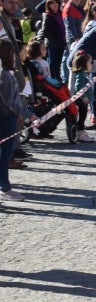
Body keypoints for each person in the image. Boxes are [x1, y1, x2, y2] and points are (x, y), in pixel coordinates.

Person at [0, 39, 29, 200]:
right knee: (4, 154)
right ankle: (4, 187)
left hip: (7, 116)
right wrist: (24, 113)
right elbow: (10, 101)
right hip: (5, 118)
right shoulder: (4, 75)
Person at [38, 0, 66, 84]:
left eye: (56, 3)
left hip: (61, 43)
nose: (55, 5)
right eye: (52, 3)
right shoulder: (47, 16)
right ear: (48, 5)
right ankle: (53, 80)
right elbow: (45, 31)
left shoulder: (59, 14)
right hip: (53, 44)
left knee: (59, 63)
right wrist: (54, 39)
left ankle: (58, 79)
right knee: (53, 63)